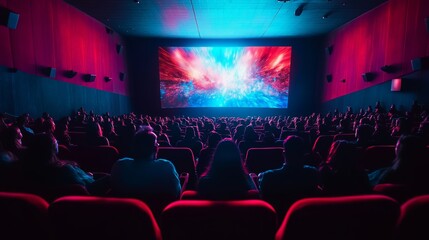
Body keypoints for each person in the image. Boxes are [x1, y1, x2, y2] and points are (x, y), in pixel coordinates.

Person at [110, 126, 181, 217]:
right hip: (160, 218)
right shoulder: (166, 167)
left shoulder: (119, 166)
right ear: (155, 149)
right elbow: (176, 193)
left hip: (125, 219)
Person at [258, 135, 321, 220]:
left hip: (278, 221)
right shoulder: (313, 173)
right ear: (303, 154)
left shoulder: (269, 177)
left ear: (284, 153)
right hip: (307, 221)